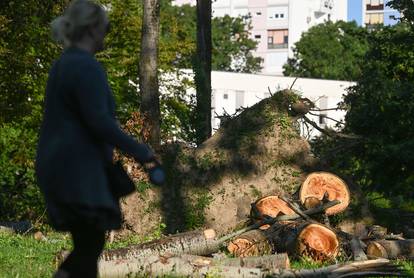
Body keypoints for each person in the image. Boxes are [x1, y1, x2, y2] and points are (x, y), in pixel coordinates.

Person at [35, 1, 164, 277]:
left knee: (88, 244)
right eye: (106, 27)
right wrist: (142, 152)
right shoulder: (85, 66)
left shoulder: (63, 64)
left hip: (56, 166)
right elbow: (100, 122)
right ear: (92, 28)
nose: (107, 33)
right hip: (77, 170)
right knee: (90, 243)